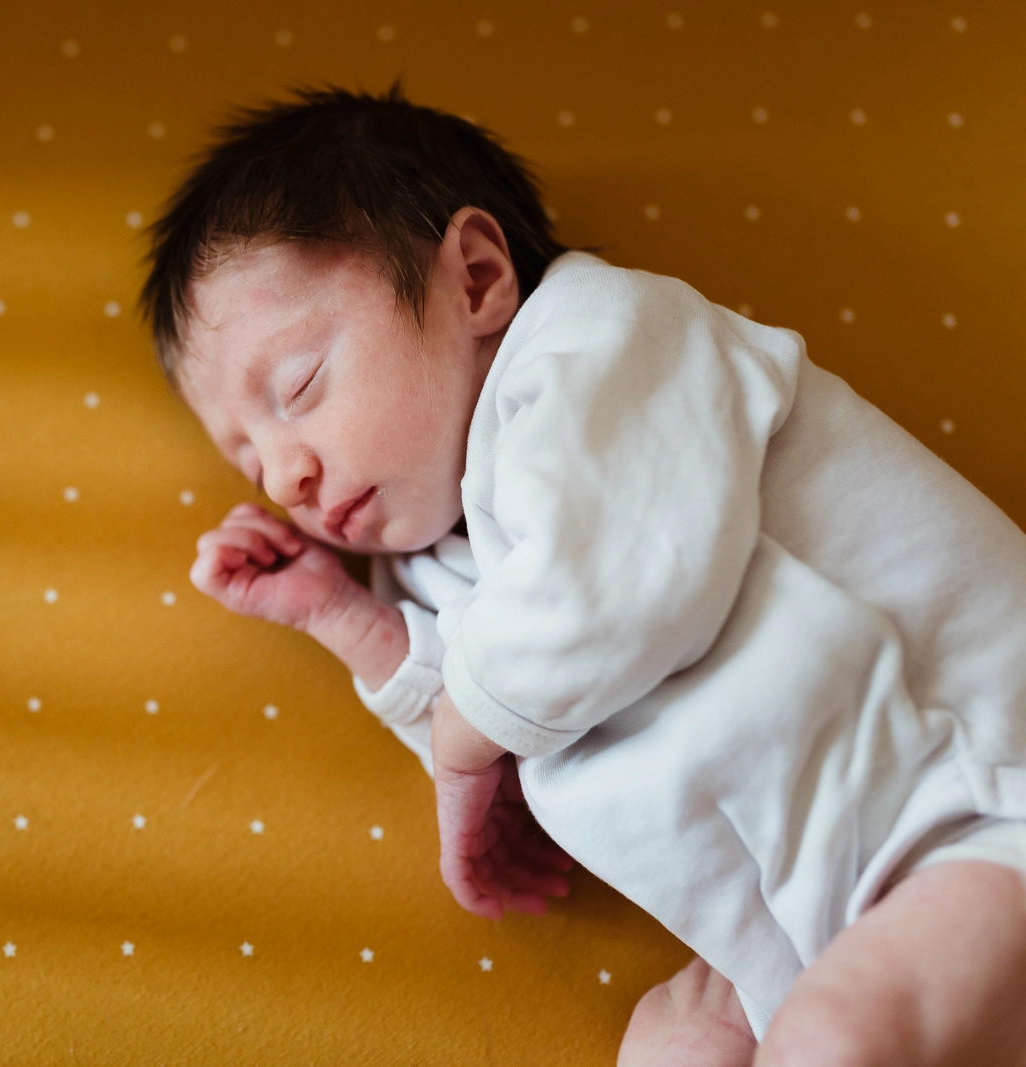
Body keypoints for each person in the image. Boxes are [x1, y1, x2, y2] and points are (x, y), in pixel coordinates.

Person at [138, 83, 1026, 1065]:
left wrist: (464, 737)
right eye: (249, 461)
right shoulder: (438, 560)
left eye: (299, 386)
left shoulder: (598, 344)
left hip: (973, 799)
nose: (284, 476)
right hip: (824, 919)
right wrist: (344, 617)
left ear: (476, 279)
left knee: (837, 1037)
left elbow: (615, 593)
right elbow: (490, 724)